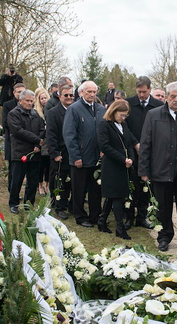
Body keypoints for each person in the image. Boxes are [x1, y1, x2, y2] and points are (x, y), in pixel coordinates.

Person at [138, 81, 177, 251]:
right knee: (163, 207)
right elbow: (146, 143)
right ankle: (164, 236)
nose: (176, 99)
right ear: (166, 97)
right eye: (173, 96)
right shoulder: (153, 115)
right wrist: (144, 169)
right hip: (162, 168)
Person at [63, 81, 106, 227]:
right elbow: (69, 134)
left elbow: (104, 131)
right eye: (89, 92)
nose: (92, 95)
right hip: (80, 158)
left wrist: (103, 149)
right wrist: (75, 156)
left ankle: (95, 215)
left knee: (96, 189)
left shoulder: (101, 110)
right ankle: (80, 217)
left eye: (94, 92)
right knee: (79, 190)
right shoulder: (74, 109)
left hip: (97, 158)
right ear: (82, 92)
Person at [97, 100, 139, 239]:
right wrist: (123, 159)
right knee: (117, 196)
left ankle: (102, 221)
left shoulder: (123, 125)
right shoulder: (104, 125)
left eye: (125, 116)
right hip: (112, 166)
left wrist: (131, 159)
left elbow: (128, 143)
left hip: (124, 165)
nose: (123, 118)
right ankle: (119, 228)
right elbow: (105, 146)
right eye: (121, 115)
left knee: (113, 195)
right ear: (114, 112)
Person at [125, 76, 164, 230]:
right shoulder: (129, 104)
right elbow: (124, 126)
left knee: (146, 186)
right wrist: (135, 143)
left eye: (145, 92)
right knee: (132, 185)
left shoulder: (158, 106)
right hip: (133, 151)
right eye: (139, 92)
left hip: (151, 152)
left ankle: (142, 216)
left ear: (150, 89)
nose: (142, 95)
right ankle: (128, 216)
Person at [7, 89, 45, 214]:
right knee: (17, 180)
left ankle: (29, 203)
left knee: (32, 181)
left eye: (31, 101)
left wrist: (37, 145)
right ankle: (13, 203)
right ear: (20, 100)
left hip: (34, 152)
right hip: (20, 152)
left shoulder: (35, 114)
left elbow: (42, 130)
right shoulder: (13, 114)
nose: (30, 103)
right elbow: (18, 131)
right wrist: (36, 139)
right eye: (27, 101)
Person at [46, 84, 75, 219]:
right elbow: (50, 135)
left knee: (72, 181)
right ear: (59, 96)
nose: (69, 98)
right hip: (60, 153)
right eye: (66, 95)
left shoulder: (75, 110)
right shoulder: (53, 112)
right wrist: (55, 153)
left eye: (71, 95)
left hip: (73, 153)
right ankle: (60, 206)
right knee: (60, 181)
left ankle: (71, 204)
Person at [34, 87, 50, 196]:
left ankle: (48, 184)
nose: (44, 100)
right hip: (41, 140)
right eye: (42, 98)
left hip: (49, 141)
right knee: (41, 165)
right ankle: (39, 185)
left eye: (45, 98)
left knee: (49, 164)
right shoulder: (36, 112)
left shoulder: (50, 110)